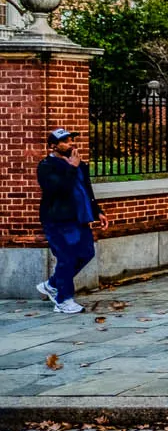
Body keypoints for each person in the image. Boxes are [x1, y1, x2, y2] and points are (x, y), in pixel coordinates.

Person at [36, 128, 99, 314]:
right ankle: (63, 300)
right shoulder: (47, 166)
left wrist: (98, 211)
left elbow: (86, 189)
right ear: (53, 146)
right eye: (64, 141)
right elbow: (57, 190)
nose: (70, 144)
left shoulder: (79, 164)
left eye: (70, 140)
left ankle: (52, 284)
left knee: (87, 253)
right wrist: (71, 168)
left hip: (80, 218)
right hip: (58, 220)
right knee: (66, 258)